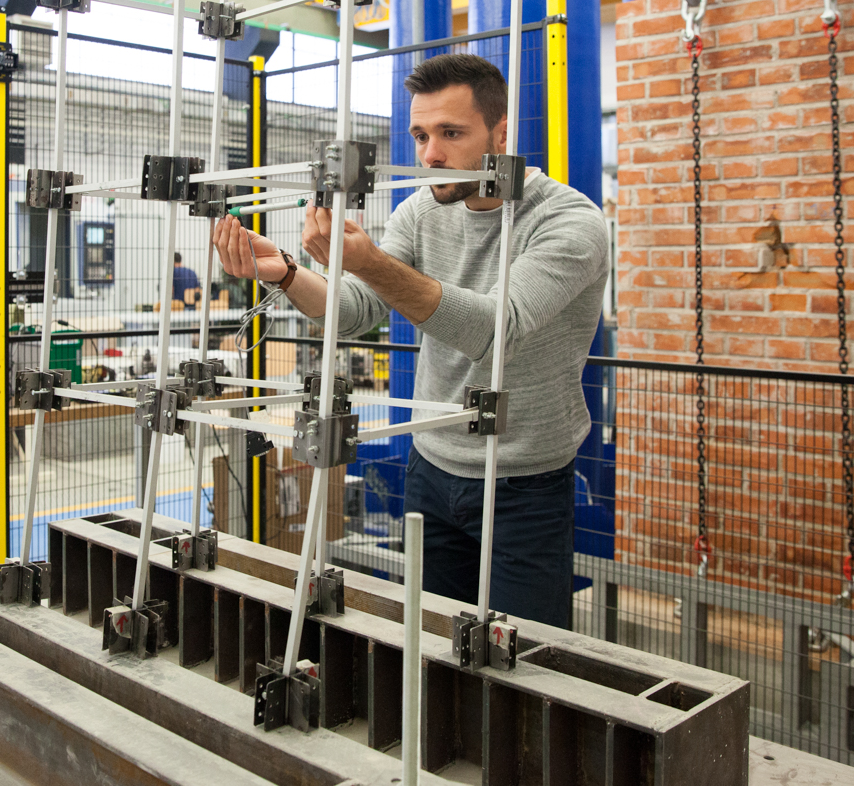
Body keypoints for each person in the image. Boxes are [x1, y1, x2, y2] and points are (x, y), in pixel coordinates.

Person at [212, 53, 609, 629]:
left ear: (500, 134)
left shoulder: (569, 221)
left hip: (523, 481)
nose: (430, 155)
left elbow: (493, 329)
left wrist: (370, 262)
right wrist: (286, 273)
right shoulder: (421, 211)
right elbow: (355, 311)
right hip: (431, 465)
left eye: (451, 133)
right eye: (421, 135)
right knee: (432, 642)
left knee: (524, 655)